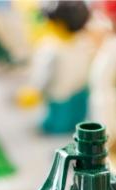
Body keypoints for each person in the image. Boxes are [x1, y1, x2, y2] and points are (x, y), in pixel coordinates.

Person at [17, 1, 94, 134]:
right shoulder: (83, 42)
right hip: (80, 92)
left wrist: (34, 90)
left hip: (60, 97)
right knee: (78, 121)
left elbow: (43, 74)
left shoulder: (50, 47)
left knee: (56, 125)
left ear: (57, 23)